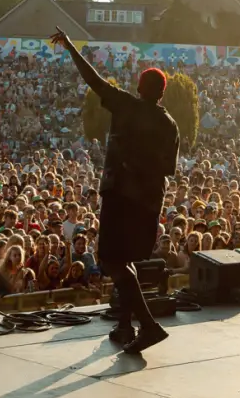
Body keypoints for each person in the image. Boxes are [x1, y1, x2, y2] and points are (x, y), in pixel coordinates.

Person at [51, 27, 179, 354]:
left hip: (121, 196)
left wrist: (70, 46)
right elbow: (169, 168)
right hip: (148, 203)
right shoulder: (170, 124)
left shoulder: (127, 106)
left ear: (139, 87)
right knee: (126, 260)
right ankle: (124, 325)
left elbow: (93, 80)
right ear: (162, 93)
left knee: (111, 260)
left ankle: (148, 326)